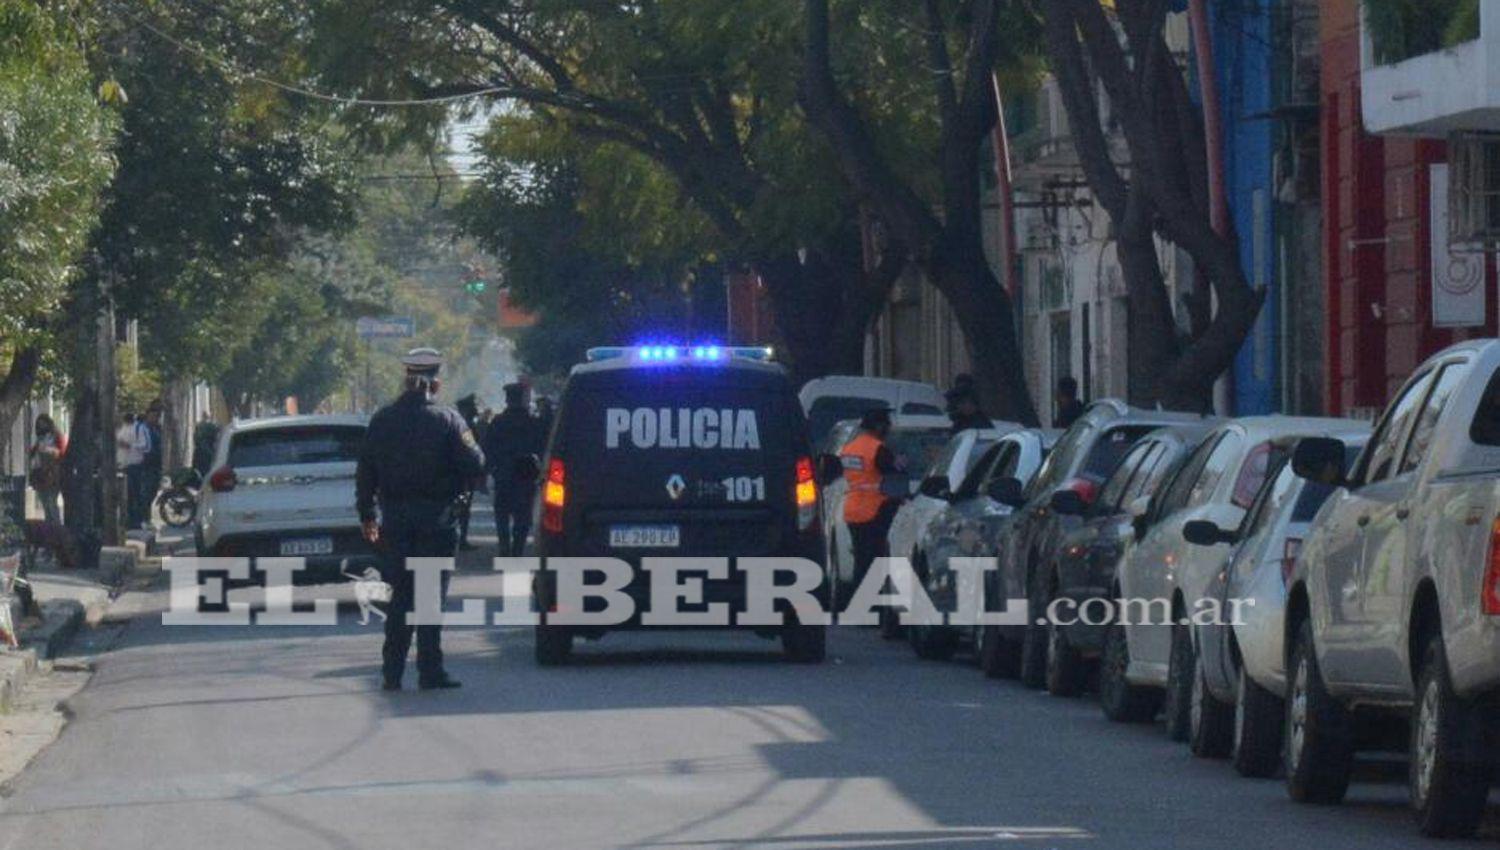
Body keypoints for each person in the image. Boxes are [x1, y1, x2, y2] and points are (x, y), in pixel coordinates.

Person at [356, 348, 485, 691]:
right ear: (435, 383)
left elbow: (366, 470)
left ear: (406, 380)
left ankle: (392, 672)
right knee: (429, 597)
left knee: (400, 596)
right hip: (437, 521)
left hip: (395, 521)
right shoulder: (448, 420)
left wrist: (367, 514)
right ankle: (430, 670)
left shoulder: (382, 420)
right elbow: (475, 463)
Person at [839, 407, 905, 591]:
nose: (889, 430)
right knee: (874, 561)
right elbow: (894, 478)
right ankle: (871, 604)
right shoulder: (877, 449)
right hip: (874, 510)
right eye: (887, 425)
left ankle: (861, 603)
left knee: (861, 560)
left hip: (853, 510)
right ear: (878, 426)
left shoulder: (849, 448)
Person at [481, 382, 546, 558]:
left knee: (502, 513)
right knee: (522, 517)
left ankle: (504, 547)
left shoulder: (498, 422)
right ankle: (517, 549)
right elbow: (543, 449)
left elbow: (487, 449)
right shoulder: (534, 422)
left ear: (508, 400)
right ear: (524, 399)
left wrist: (486, 473)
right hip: (526, 476)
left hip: (504, 475)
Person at [452, 394, 484, 551]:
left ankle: (459, 538)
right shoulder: (464, 428)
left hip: (455, 474)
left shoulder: (453, 425)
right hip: (463, 475)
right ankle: (460, 539)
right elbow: (474, 453)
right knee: (462, 509)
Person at [27, 414, 65, 526]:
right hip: (40, 474)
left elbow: (61, 453)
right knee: (45, 504)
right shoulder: (39, 439)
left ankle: (57, 528)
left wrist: (49, 451)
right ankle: (50, 530)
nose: (41, 426)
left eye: (43, 423)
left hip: (52, 474)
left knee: (51, 503)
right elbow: (32, 454)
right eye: (39, 425)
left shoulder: (56, 436)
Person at [117, 412, 147, 527]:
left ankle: (137, 520)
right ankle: (128, 520)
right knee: (126, 495)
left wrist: (130, 446)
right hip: (123, 465)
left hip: (135, 465)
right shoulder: (122, 429)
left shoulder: (138, 429)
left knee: (135, 494)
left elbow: (144, 445)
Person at [139, 401, 165, 529]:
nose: (155, 418)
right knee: (146, 493)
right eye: (153, 416)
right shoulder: (143, 428)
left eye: (157, 416)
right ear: (148, 416)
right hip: (146, 465)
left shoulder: (156, 429)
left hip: (155, 465)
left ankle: (146, 518)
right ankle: (144, 518)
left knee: (152, 492)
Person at [191, 413, 220, 478]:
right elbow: (216, 438)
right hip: (209, 453)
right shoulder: (212, 426)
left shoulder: (199, 426)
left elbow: (195, 439)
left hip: (199, 453)